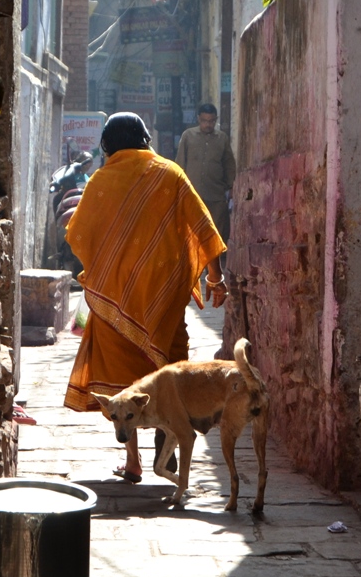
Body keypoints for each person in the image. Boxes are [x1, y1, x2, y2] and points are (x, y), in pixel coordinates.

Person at [63, 113, 228, 482]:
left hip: (113, 298)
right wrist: (216, 280)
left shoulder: (101, 181)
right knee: (166, 373)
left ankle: (134, 461)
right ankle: (165, 447)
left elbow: (77, 234)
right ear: (145, 140)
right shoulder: (170, 174)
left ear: (107, 146)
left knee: (125, 383)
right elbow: (204, 228)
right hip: (164, 297)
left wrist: (107, 267)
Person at [175, 103, 237, 245]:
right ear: (198, 119)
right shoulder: (188, 136)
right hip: (192, 194)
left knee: (216, 232)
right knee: (192, 231)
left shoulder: (222, 139)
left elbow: (229, 164)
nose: (208, 125)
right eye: (204, 121)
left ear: (216, 120)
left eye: (211, 121)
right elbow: (180, 163)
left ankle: (213, 266)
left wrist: (231, 187)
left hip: (216, 194)